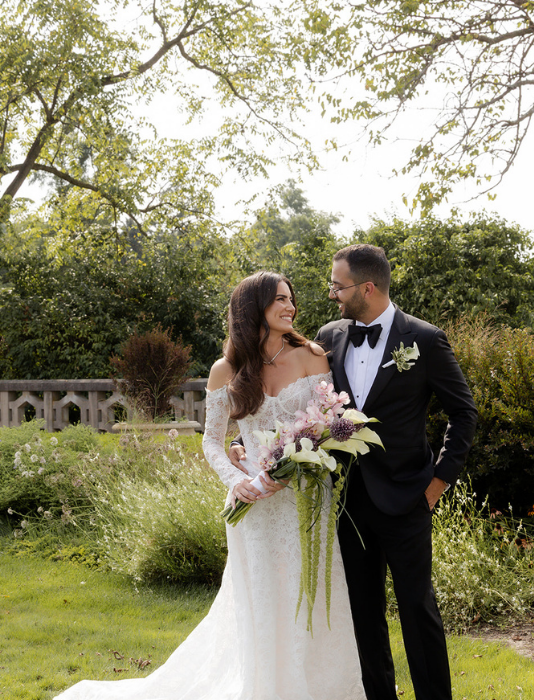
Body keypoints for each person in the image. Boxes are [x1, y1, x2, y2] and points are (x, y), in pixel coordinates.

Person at [53, 270, 366, 700]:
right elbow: (212, 442)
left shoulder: (313, 356)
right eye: (278, 299)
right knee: (262, 598)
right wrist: (239, 483)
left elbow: (325, 423)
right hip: (254, 504)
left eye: (291, 299)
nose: (289, 306)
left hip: (306, 498)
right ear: (252, 306)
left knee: (311, 591)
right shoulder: (226, 370)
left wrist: (302, 459)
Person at [231, 247, 477, 700]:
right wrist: (251, 444)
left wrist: (438, 482)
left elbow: (463, 413)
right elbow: (300, 409)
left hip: (408, 498)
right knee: (361, 613)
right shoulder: (329, 336)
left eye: (337, 286)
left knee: (417, 609)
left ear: (367, 288)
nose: (330, 295)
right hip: (343, 501)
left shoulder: (424, 339)